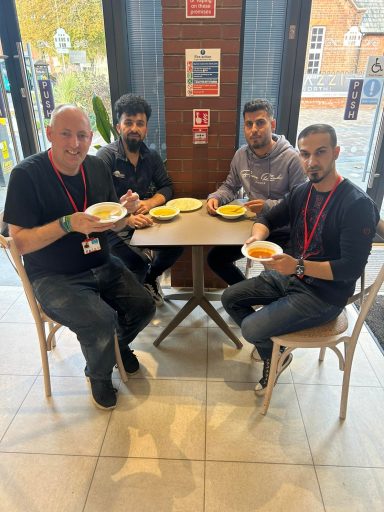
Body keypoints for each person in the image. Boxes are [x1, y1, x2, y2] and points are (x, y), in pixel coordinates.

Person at [3, 105, 156, 410]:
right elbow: (18, 242)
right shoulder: (26, 175)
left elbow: (117, 222)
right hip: (53, 276)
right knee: (101, 320)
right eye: (66, 134)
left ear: (91, 138)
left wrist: (125, 210)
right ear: (50, 134)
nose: (75, 144)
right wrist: (67, 223)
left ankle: (115, 348)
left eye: (83, 135)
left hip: (101, 261)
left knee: (145, 306)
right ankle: (98, 374)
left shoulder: (96, 168)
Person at [221, 124, 379, 395]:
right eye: (305, 154)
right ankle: (274, 351)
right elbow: (268, 217)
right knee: (229, 298)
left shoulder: (356, 204)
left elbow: (349, 269)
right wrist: (257, 237)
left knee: (250, 327)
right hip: (289, 276)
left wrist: (299, 266)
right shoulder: (302, 192)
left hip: (323, 294)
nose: (312, 162)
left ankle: (273, 355)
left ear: (336, 152)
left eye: (320, 152)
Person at [206, 99, 306, 285]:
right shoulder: (241, 155)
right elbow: (230, 186)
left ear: (272, 124)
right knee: (215, 259)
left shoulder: (292, 158)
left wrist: (267, 206)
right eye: (249, 124)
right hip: (252, 227)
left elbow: (300, 203)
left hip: (285, 231)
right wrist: (216, 198)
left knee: (283, 279)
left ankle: (271, 298)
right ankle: (246, 294)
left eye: (260, 122)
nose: (254, 129)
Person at [96, 94, 183, 306]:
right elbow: (97, 202)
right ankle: (134, 304)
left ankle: (150, 279)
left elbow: (167, 186)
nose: (134, 128)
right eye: (128, 122)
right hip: (109, 229)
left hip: (143, 222)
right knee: (138, 261)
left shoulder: (151, 156)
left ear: (145, 129)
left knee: (177, 245)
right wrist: (126, 218)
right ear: (118, 127)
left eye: (140, 123)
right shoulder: (105, 158)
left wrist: (150, 203)